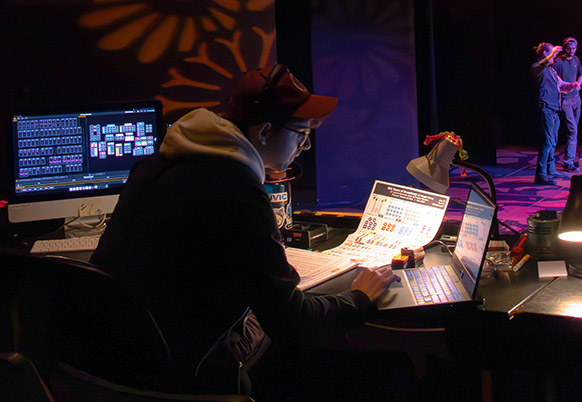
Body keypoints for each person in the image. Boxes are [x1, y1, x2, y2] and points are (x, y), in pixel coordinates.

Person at [89, 64, 401, 399]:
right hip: (184, 369)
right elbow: (295, 322)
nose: (305, 148)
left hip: (113, 358)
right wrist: (359, 298)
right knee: (383, 372)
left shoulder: (158, 164)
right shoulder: (234, 189)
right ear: (264, 132)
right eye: (302, 135)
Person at [530, 42, 575, 185]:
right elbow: (541, 64)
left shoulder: (551, 70)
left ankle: (550, 170)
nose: (554, 57)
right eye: (552, 54)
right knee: (547, 142)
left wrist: (571, 85)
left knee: (552, 141)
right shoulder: (537, 68)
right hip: (546, 108)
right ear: (545, 54)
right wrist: (552, 52)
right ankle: (541, 175)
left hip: (554, 109)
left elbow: (560, 84)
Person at [553, 37, 582, 173]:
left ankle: (568, 160)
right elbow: (553, 78)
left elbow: (581, 74)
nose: (571, 51)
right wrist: (564, 87)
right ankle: (568, 162)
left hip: (576, 99)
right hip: (565, 100)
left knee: (573, 131)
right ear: (565, 48)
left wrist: (578, 85)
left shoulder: (576, 59)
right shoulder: (559, 62)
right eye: (569, 48)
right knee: (572, 131)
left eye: (573, 48)